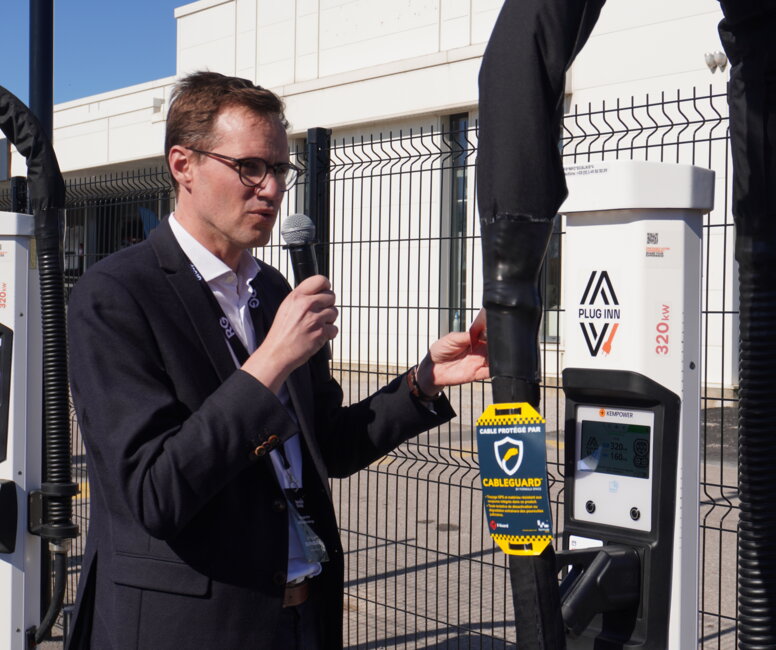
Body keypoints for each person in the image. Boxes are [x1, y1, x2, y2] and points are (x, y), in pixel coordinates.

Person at [66, 71, 489, 649]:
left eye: (280, 169)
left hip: (300, 616)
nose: (270, 188)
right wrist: (270, 363)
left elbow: (329, 444)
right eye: (249, 167)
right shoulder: (115, 294)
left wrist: (424, 382)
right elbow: (154, 493)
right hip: (188, 628)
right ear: (182, 165)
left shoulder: (269, 290)